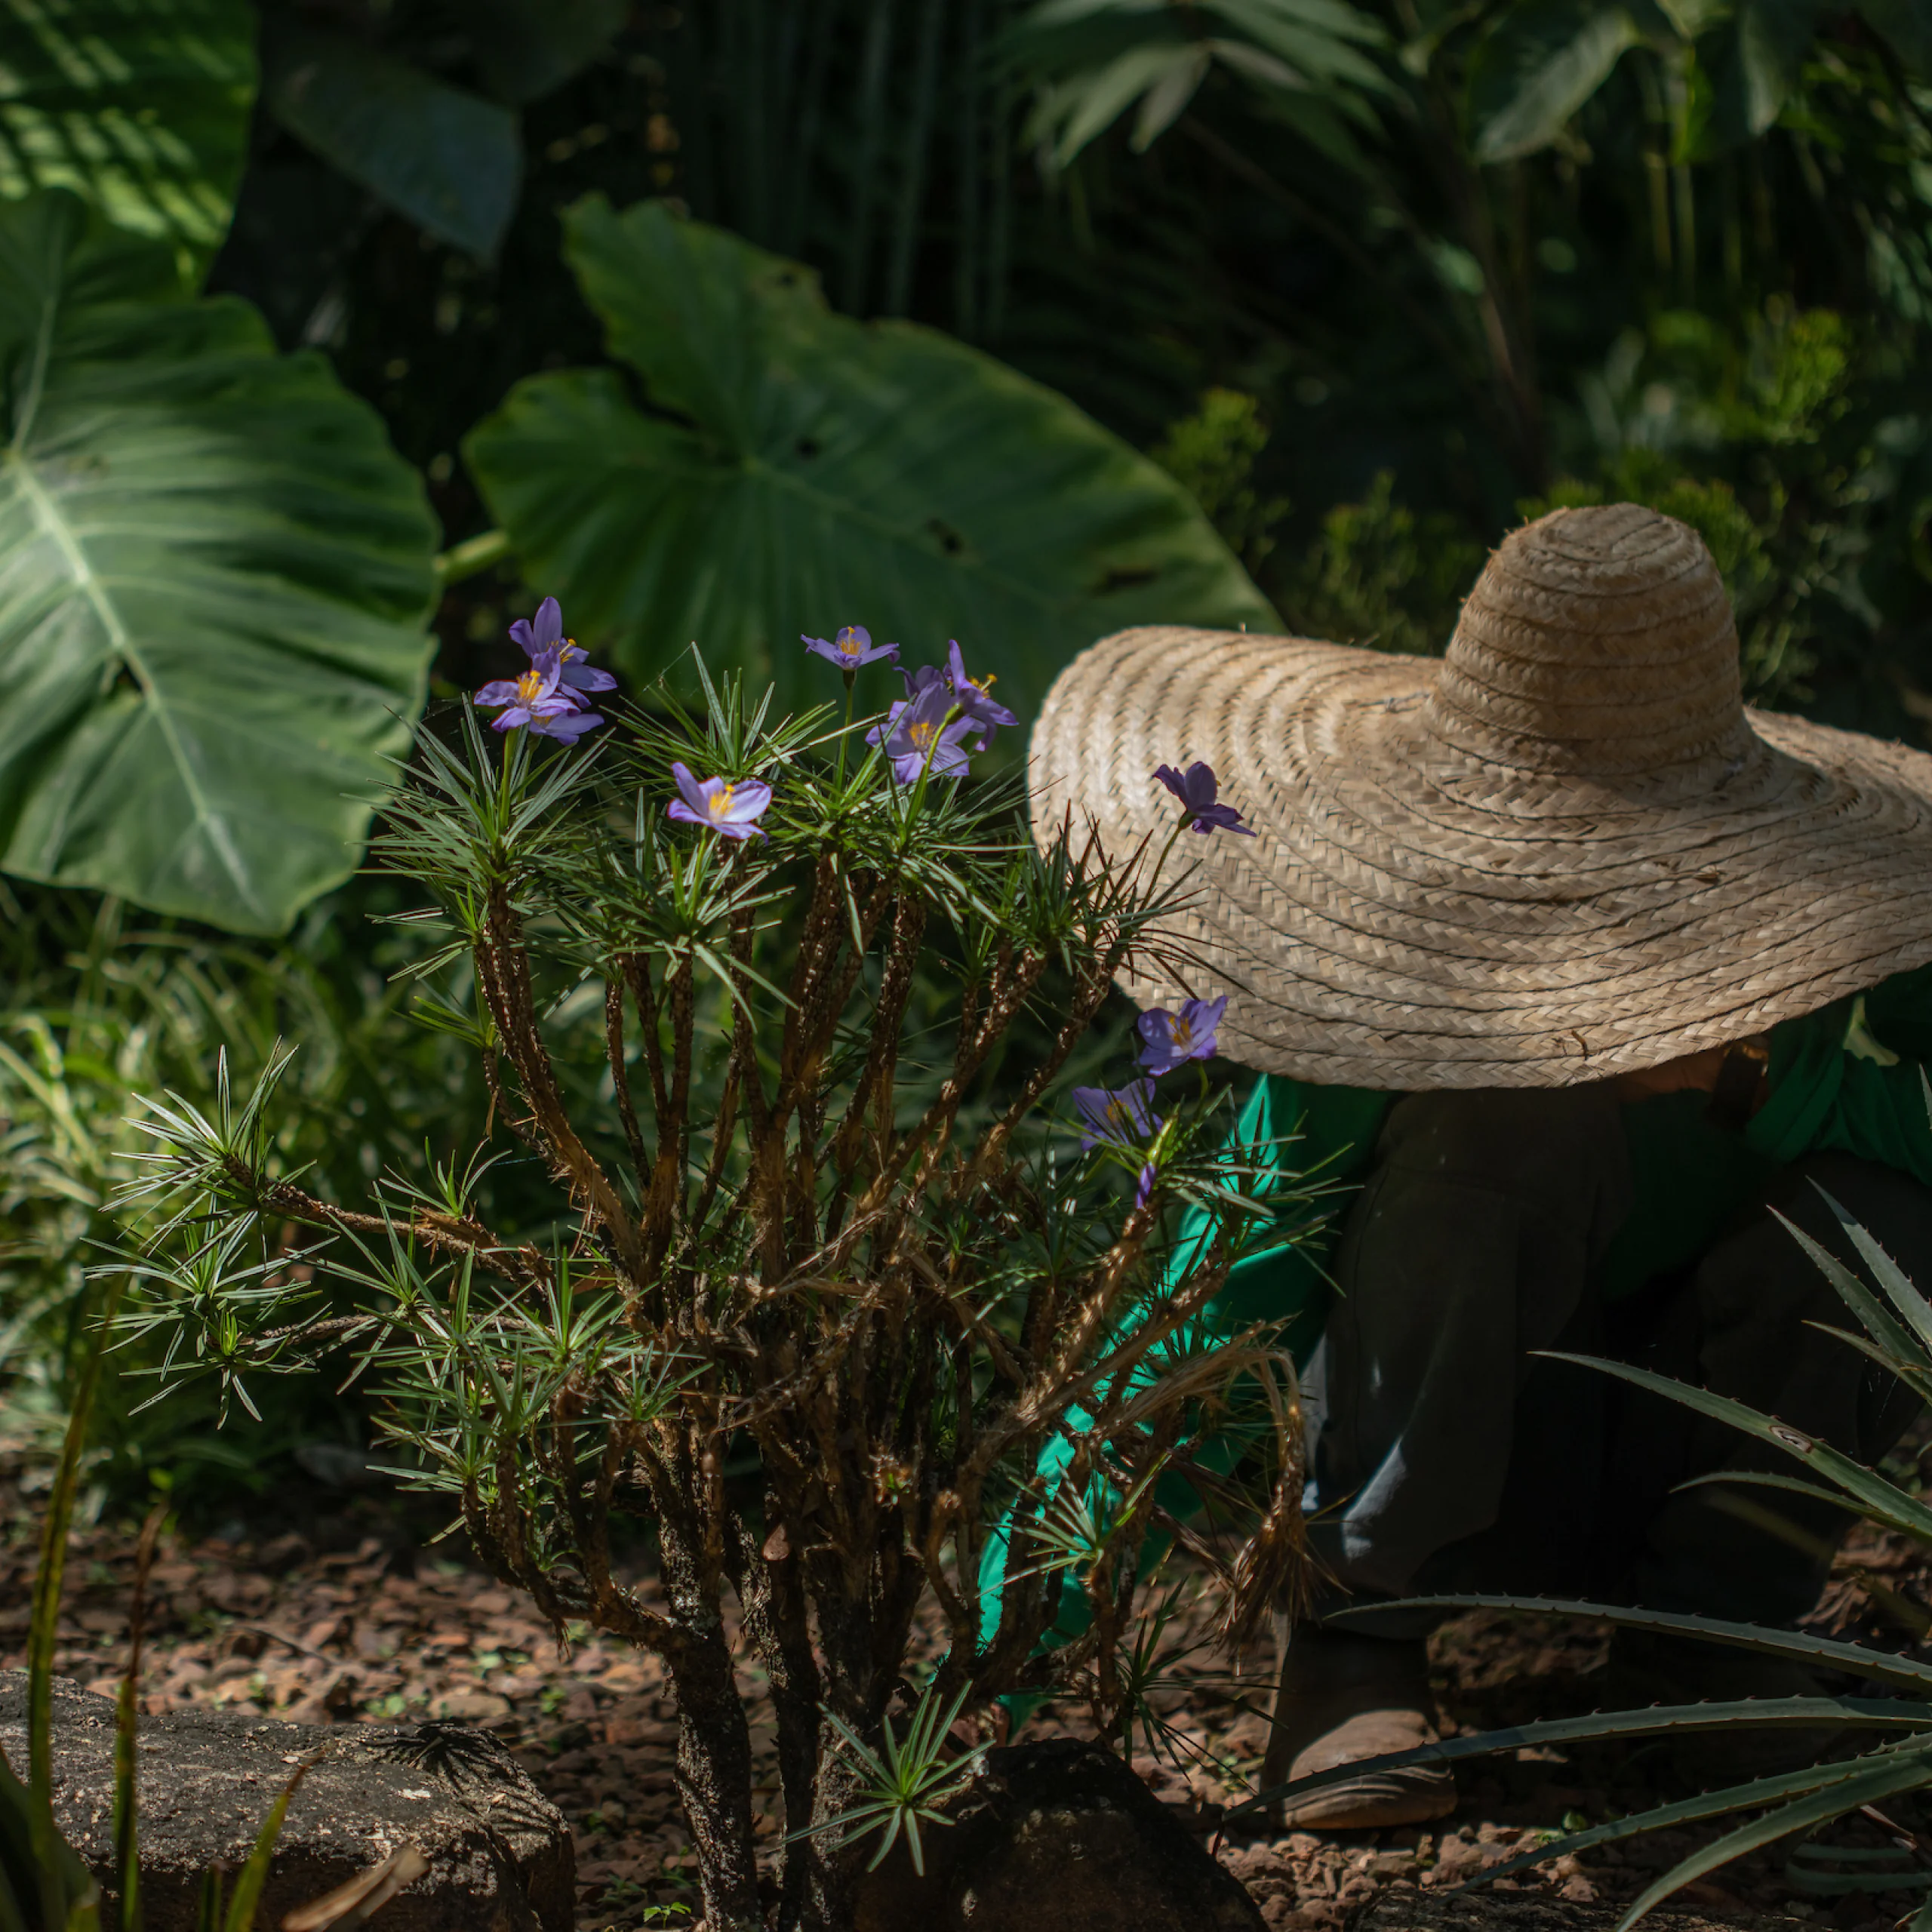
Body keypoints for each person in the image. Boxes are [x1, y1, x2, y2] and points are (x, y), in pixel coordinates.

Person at [1022, 503, 1932, 1828]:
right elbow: (1214, 1301)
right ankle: (1355, 1651)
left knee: (1889, 1212)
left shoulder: (1814, 930)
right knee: (1510, 1123)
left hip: (1696, 1452)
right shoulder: (1393, 992)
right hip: (1437, 1464)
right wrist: (1002, 1645)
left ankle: (1715, 1650)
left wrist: (1772, 1089)